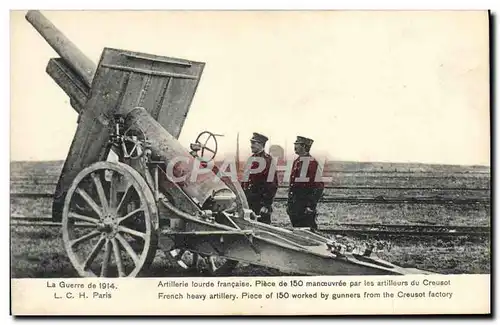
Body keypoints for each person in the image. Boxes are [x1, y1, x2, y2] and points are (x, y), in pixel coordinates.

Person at [287, 136, 325, 230]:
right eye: (295, 144)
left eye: (297, 144)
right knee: (297, 232)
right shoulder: (297, 161)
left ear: (304, 146)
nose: (295, 146)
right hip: (295, 206)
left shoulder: (312, 163)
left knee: (308, 233)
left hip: (305, 207)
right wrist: (290, 205)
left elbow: (318, 186)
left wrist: (311, 205)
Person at [241, 132, 278, 224]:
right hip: (248, 203)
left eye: (254, 143)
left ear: (261, 144)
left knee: (262, 230)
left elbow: (272, 184)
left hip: (260, 205)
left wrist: (266, 205)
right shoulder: (251, 159)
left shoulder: (268, 160)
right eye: (251, 143)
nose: (251, 146)